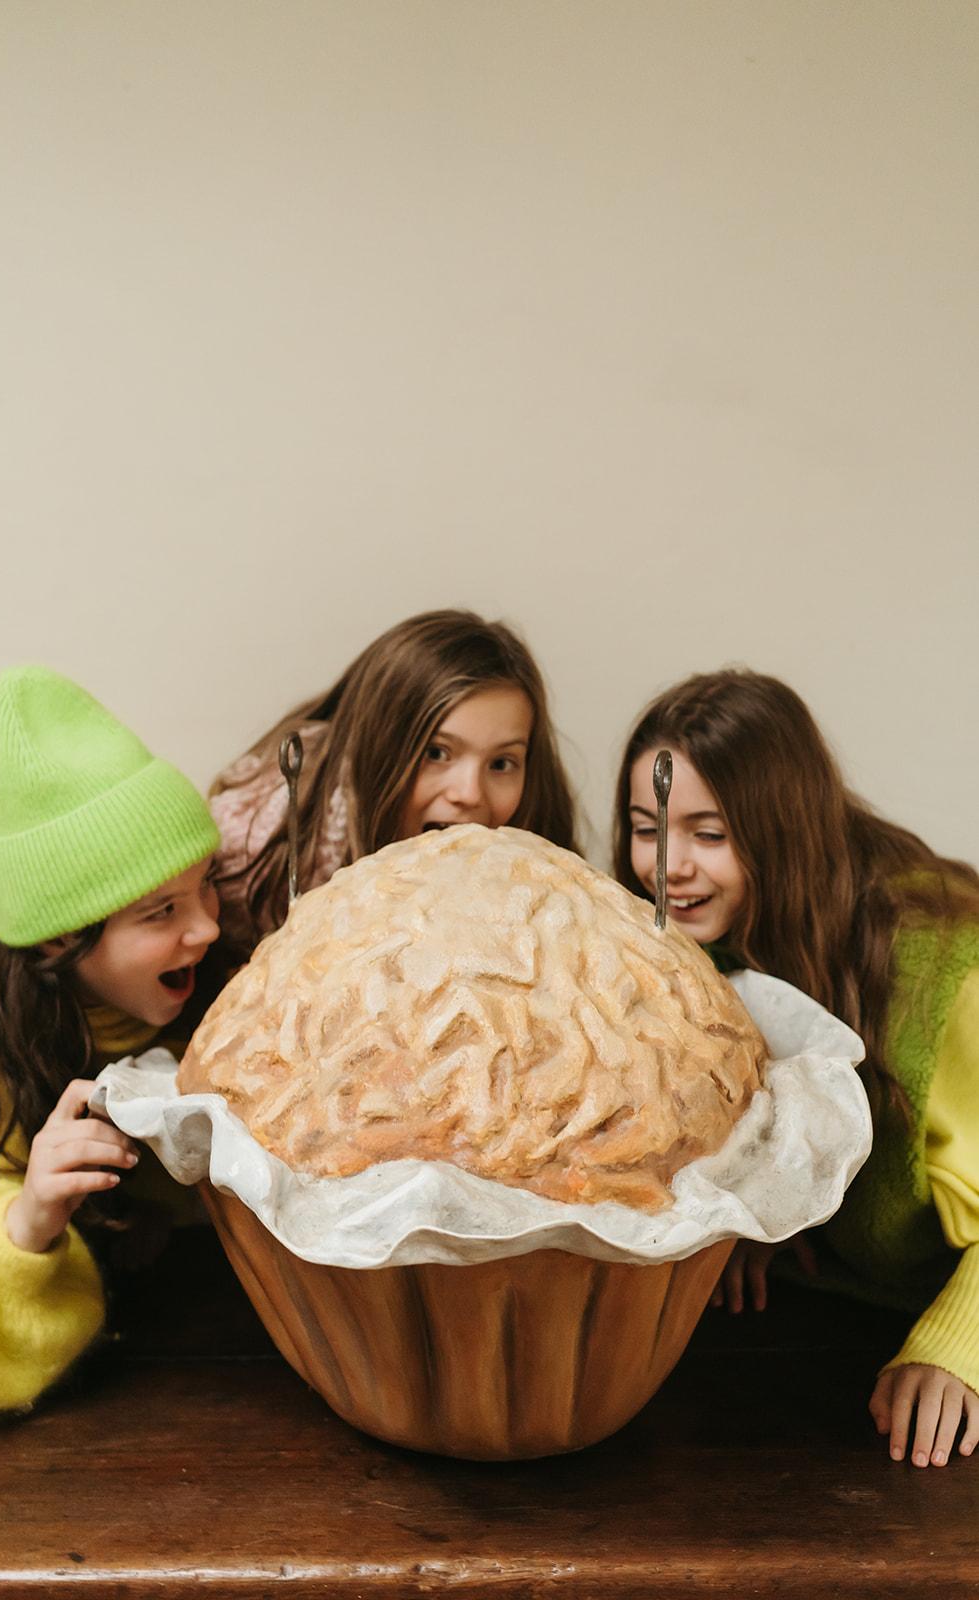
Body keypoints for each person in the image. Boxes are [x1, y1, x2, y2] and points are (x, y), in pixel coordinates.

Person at [613, 668, 979, 1469]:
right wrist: (769, 1213)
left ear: (787, 833)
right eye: (648, 828)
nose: (668, 868)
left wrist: (954, 1353)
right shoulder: (696, 954)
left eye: (710, 835)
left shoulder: (943, 968)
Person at [0, 665, 223, 1424]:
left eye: (206, 884)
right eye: (162, 911)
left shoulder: (169, 997)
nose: (208, 927)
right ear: (60, 936)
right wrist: (24, 1226)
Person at [210, 609, 578, 950]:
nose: (469, 793)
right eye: (436, 753)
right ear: (376, 750)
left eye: (501, 763)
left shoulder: (545, 876)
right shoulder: (263, 850)